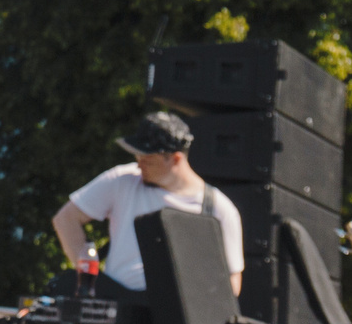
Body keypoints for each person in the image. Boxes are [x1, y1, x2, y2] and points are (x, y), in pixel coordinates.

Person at [51, 111, 243, 298]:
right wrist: (88, 277)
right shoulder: (122, 180)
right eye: (137, 157)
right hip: (118, 307)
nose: (139, 164)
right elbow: (66, 219)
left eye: (147, 159)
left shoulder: (218, 208)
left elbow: (233, 281)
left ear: (175, 159)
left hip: (175, 315)